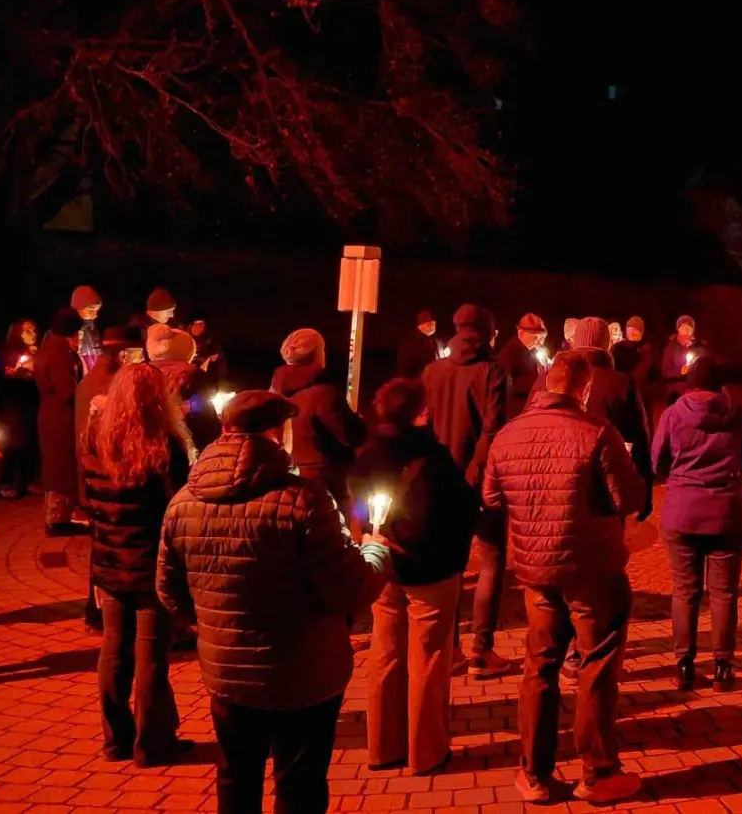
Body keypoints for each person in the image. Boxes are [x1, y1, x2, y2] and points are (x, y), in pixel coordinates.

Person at [158, 390, 391, 814]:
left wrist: (214, 628)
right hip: (303, 674)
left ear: (224, 431)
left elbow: (169, 590)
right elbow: (348, 589)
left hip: (228, 674)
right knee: (299, 784)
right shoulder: (305, 500)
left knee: (235, 777)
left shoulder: (182, 503)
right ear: (277, 432)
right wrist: (375, 551)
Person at [483, 355, 646, 804]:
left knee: (540, 667)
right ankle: (598, 772)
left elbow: (491, 497)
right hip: (592, 569)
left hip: (536, 569)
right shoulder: (596, 432)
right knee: (595, 668)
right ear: (585, 390)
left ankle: (533, 773)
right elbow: (629, 497)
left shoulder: (508, 434)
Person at [348, 379, 480, 775]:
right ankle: (426, 752)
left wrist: (374, 540)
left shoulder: (366, 455)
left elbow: (354, 506)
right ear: (421, 412)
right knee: (428, 659)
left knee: (385, 655)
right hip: (430, 571)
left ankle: (383, 748)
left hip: (384, 568)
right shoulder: (433, 457)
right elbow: (458, 510)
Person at [82, 364, 193, 766]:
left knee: (114, 651)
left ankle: (115, 740)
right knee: (151, 657)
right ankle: (152, 744)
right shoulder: (165, 445)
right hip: (151, 565)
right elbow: (178, 508)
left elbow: (87, 500)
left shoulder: (94, 439)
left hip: (110, 561)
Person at [652, 357, 742, 691]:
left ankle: (684, 664)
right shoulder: (737, 414)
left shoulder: (673, 414)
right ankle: (723, 665)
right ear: (720, 385)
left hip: (682, 512)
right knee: (724, 593)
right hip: (727, 512)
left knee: (685, 591)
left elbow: (658, 461)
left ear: (691, 383)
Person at [421, 304, 509, 677]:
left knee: (451, 567)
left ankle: (451, 647)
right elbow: (493, 430)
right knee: (491, 562)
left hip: (440, 482)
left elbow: (422, 427)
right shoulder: (491, 372)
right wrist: (474, 476)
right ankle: (482, 650)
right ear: (487, 332)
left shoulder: (432, 371)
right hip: (481, 481)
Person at [529, 318, 652, 513]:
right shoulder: (621, 383)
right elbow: (640, 439)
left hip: (549, 485)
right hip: (601, 495)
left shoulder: (546, 379)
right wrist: (645, 491)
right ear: (607, 344)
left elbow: (528, 426)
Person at [76, 326, 147, 631]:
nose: (140, 359)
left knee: (104, 548)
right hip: (109, 478)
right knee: (109, 552)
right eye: (135, 353)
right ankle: (102, 615)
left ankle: (99, 614)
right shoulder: (108, 384)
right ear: (122, 353)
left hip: (97, 479)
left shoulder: (97, 378)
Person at [271, 328, 368, 510]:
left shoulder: (275, 392)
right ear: (316, 354)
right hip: (324, 482)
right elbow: (351, 435)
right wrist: (358, 421)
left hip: (289, 477)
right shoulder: (323, 394)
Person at [35, 307, 85, 536]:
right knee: (61, 465)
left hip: (52, 412)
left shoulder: (49, 347)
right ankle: (58, 520)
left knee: (58, 464)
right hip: (60, 414)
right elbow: (68, 388)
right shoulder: (60, 352)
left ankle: (60, 517)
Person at [148, 323, 220, 453]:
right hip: (185, 439)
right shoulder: (193, 373)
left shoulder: (143, 372)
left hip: (151, 439)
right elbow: (202, 408)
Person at [0, 320, 41, 498]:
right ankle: (8, 482)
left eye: (34, 330)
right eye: (27, 331)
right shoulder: (5, 353)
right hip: (13, 402)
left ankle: (26, 481)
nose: (32, 333)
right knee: (14, 442)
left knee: (28, 441)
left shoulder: (36, 353)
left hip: (30, 401)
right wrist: (9, 372)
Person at [496, 313, 548, 422]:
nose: (540, 342)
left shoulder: (527, 352)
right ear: (521, 333)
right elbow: (505, 386)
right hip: (515, 414)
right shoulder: (510, 353)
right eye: (535, 337)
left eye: (542, 338)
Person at [660, 316, 708, 407]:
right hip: (676, 395)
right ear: (678, 330)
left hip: (696, 394)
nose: (686, 330)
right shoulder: (670, 349)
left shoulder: (700, 348)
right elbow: (665, 372)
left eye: (688, 328)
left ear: (693, 330)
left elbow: (707, 369)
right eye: (683, 327)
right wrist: (680, 372)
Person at [397, 310, 443, 379]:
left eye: (433, 323)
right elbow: (404, 370)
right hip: (418, 383)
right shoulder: (410, 344)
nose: (432, 325)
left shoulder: (437, 342)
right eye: (428, 323)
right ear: (421, 324)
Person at [72, 286, 105, 374]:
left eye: (97, 311)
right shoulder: (73, 330)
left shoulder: (92, 329)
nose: (95, 315)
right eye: (91, 310)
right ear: (79, 309)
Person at [186, 314, 227, 383]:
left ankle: (221, 382)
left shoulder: (209, 337)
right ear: (191, 325)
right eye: (196, 324)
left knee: (221, 358)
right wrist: (201, 359)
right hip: (190, 361)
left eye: (201, 324)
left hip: (205, 361)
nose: (199, 327)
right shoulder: (184, 337)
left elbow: (216, 350)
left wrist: (214, 356)